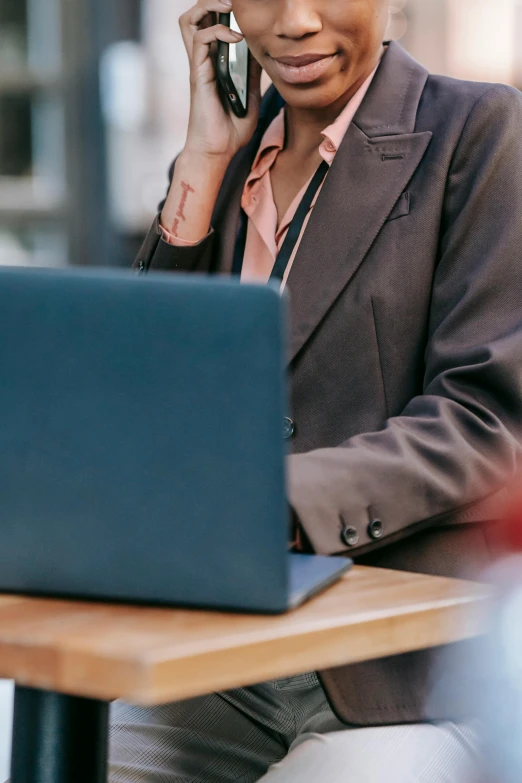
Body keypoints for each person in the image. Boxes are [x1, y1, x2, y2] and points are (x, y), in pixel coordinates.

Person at [110, 0, 522, 780]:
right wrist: (201, 160)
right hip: (221, 658)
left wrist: (274, 502)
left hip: (405, 675)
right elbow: (148, 401)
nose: (296, 22)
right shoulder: (223, 164)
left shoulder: (481, 132)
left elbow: (487, 415)